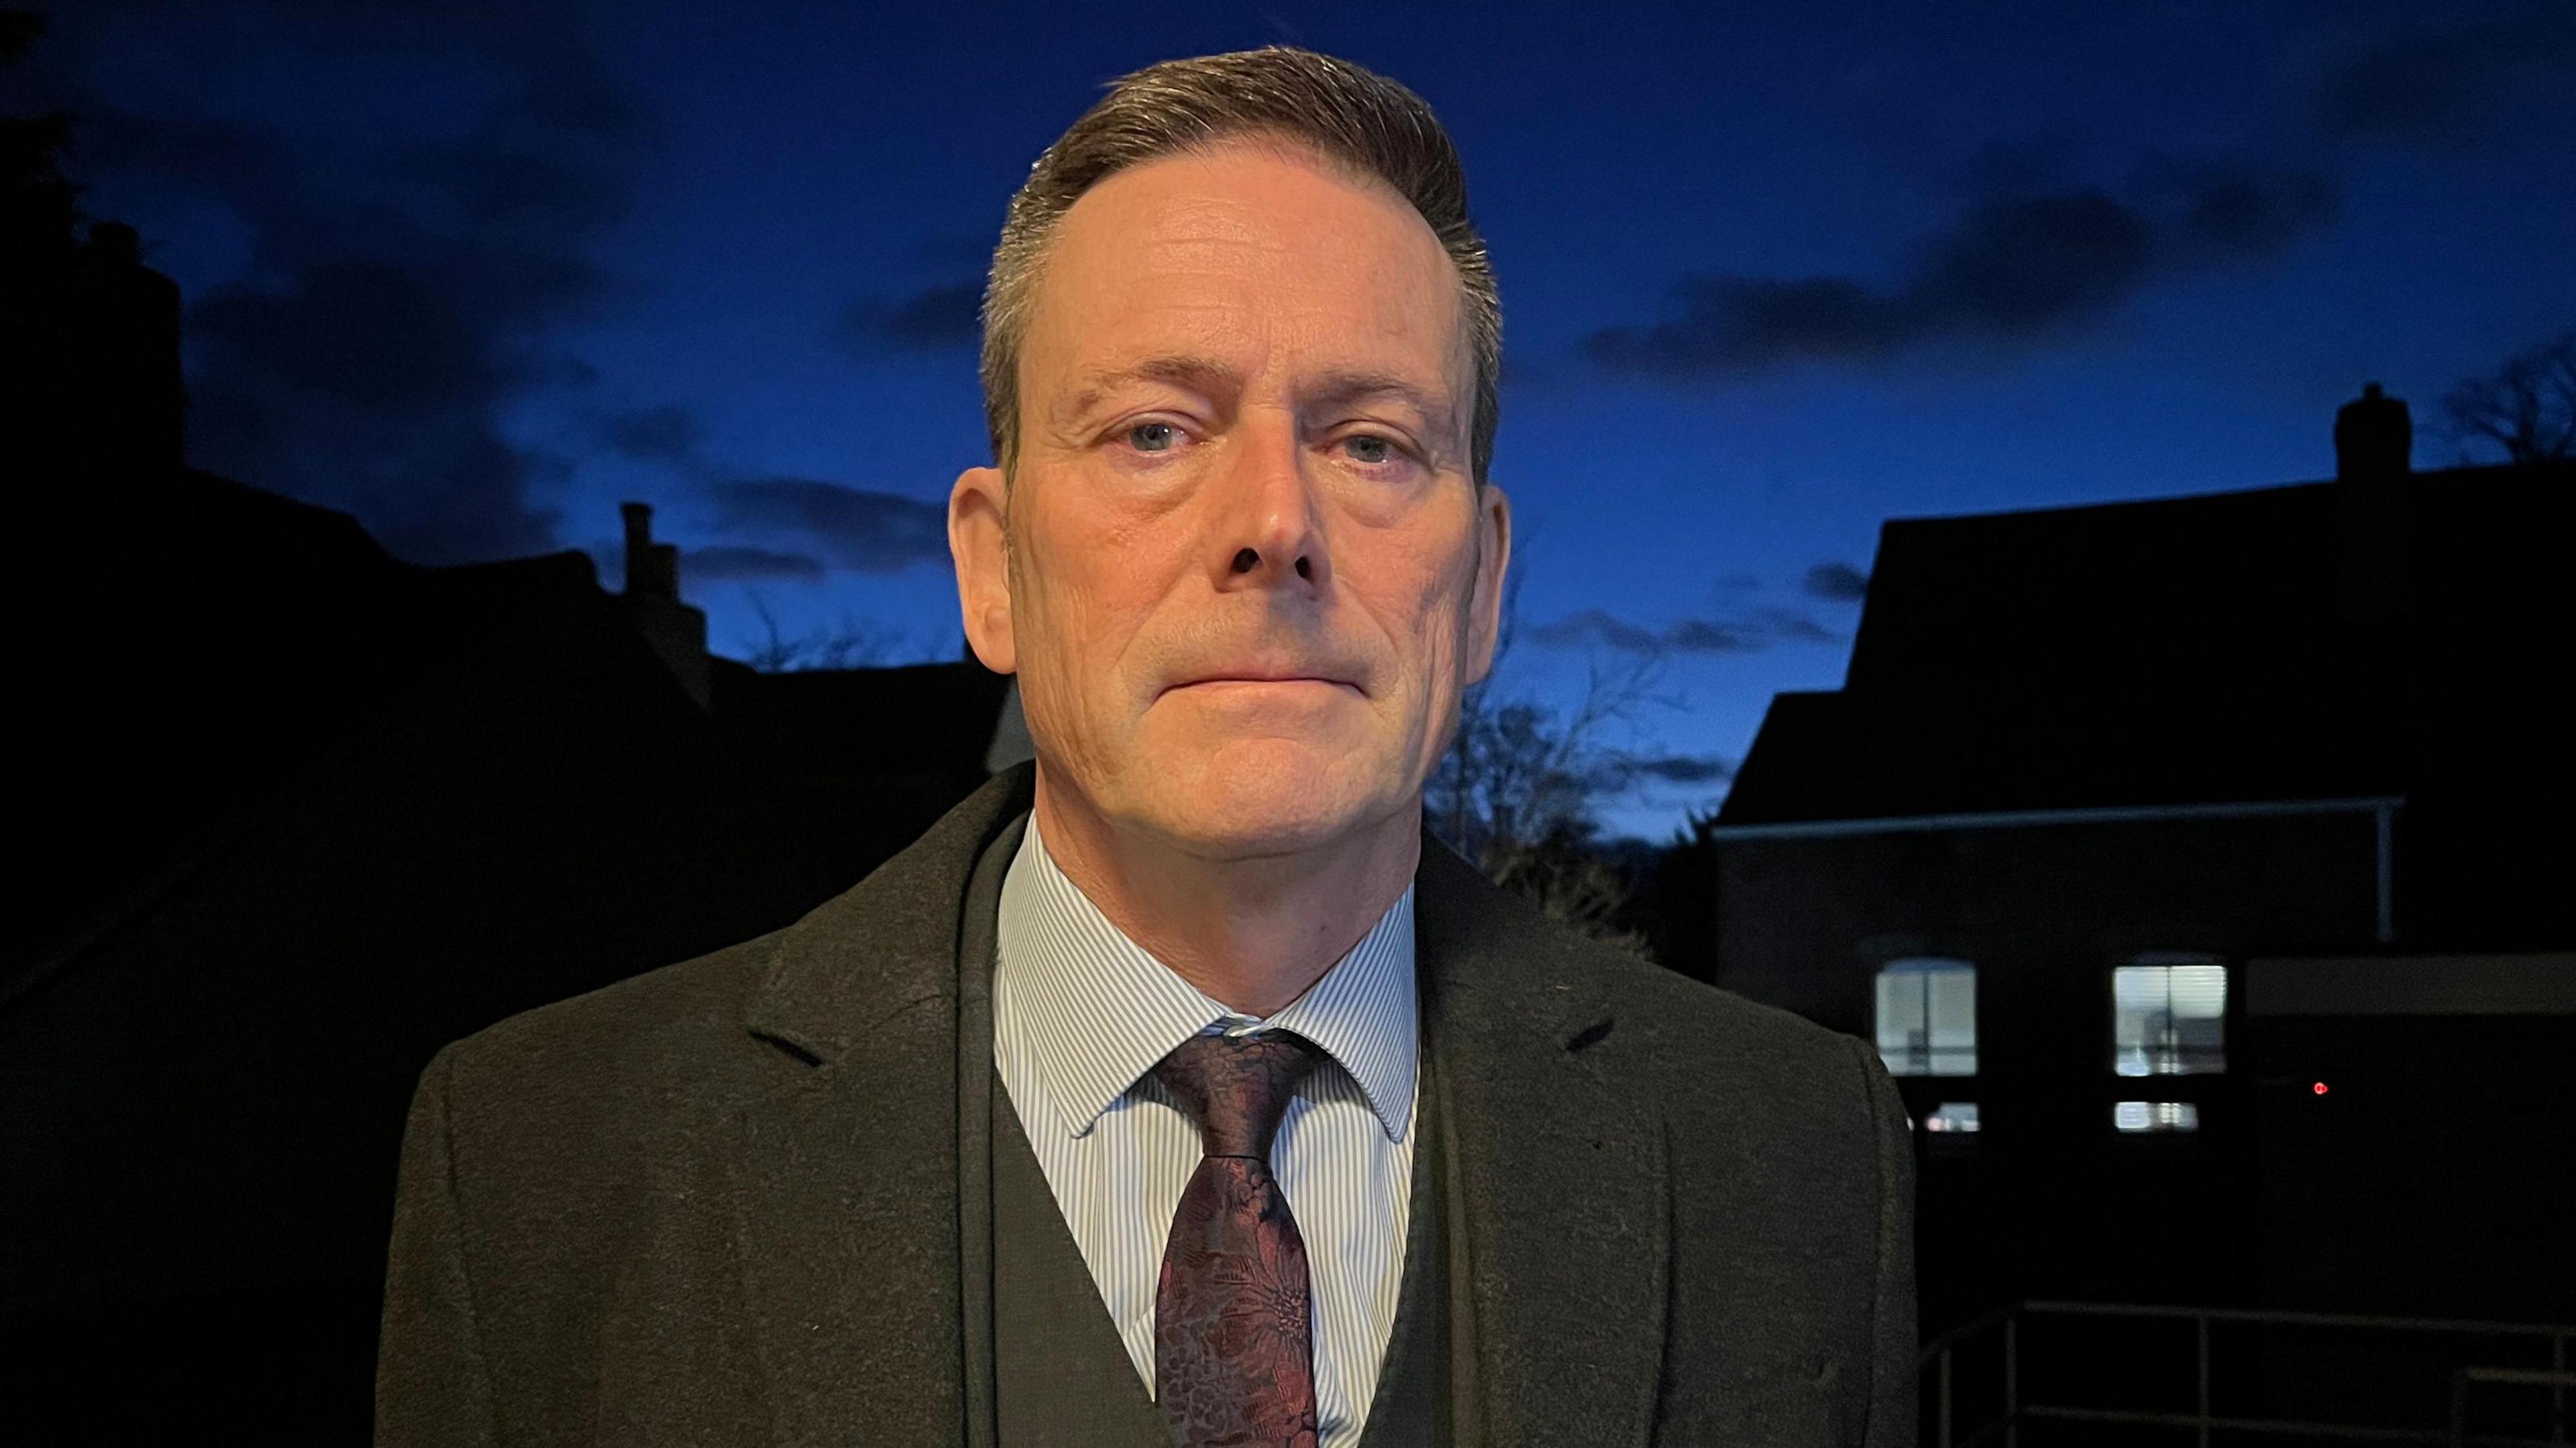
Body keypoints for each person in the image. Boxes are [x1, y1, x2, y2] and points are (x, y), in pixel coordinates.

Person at [375, 45, 1914, 1448]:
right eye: (1155, 431)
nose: (1273, 525)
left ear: (1487, 581)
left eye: (1370, 440)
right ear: (991, 568)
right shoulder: (539, 1160)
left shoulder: (1791, 1158)